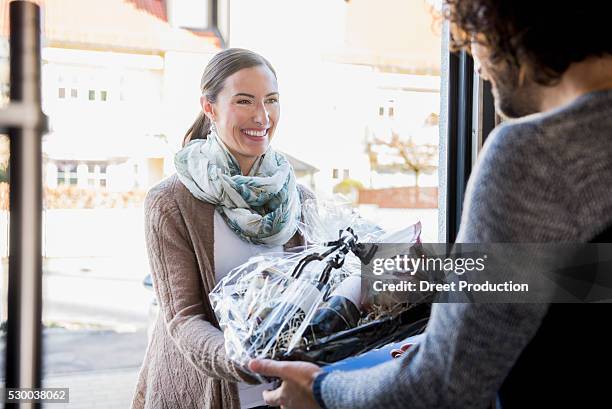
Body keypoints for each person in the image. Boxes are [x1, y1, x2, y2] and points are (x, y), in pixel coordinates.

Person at [248, 1, 612, 408]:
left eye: (470, 38)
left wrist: (319, 391)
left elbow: (443, 387)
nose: (474, 63)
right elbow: (590, 276)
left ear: (503, 24)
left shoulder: (533, 156)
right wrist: (453, 276)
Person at [131, 48, 314, 409]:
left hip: (282, 396)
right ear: (209, 107)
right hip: (202, 393)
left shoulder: (299, 199)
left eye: (271, 101)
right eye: (244, 101)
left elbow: (310, 298)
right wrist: (251, 363)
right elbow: (184, 320)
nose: (262, 116)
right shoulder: (171, 202)